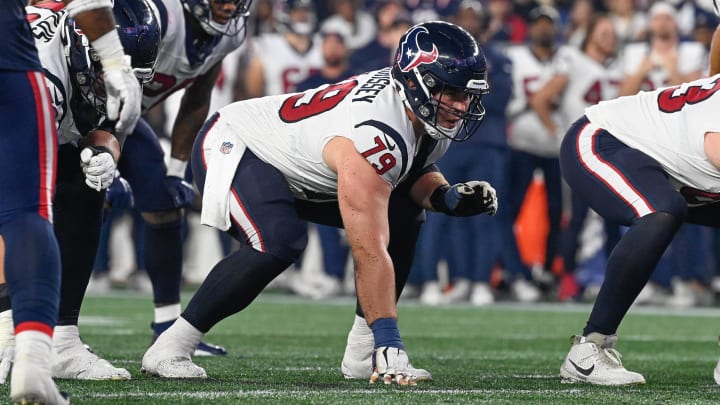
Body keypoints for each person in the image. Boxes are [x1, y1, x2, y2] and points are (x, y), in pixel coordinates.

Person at [141, 21, 497, 384]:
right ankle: (172, 345)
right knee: (279, 241)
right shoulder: (376, 130)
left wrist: (445, 197)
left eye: (467, 94)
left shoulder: (417, 110)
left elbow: (410, 170)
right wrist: (390, 342)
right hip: (239, 142)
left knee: (406, 213)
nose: (461, 105)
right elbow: (368, 250)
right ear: (417, 82)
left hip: (296, 164)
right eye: (451, 92)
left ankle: (361, 355)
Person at [0, 0, 142, 402]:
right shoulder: (50, 58)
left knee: (76, 185)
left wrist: (107, 152)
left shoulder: (76, 48)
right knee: (23, 209)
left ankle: (50, 341)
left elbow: (103, 124)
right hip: (18, 61)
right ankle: (25, 347)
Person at [557, 72, 720, 385]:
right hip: (602, 140)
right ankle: (591, 347)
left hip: (667, 169)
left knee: (667, 207)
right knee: (661, 211)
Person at [529, 15, 623, 301]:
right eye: (603, 31)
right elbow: (541, 99)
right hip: (581, 151)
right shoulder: (572, 58)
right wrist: (559, 134)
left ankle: (614, 282)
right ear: (590, 33)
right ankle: (567, 277)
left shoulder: (618, 67)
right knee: (576, 216)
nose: (609, 37)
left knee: (613, 218)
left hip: (611, 152)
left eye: (612, 33)